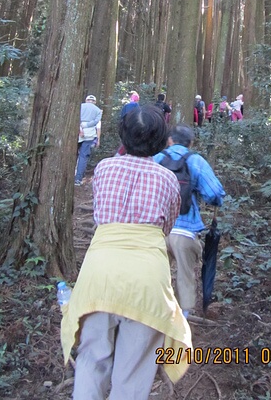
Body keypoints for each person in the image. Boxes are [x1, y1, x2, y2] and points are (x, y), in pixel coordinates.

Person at [61, 106, 192, 400]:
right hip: (147, 278)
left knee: (91, 361)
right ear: (160, 140)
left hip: (99, 274)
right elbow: (166, 225)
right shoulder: (167, 179)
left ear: (124, 135)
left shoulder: (105, 168)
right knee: (133, 374)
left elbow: (99, 212)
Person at [154, 124, 225, 318]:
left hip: (156, 229)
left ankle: (157, 314)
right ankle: (182, 319)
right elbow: (214, 193)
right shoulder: (195, 161)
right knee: (185, 276)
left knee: (157, 275)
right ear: (191, 142)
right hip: (185, 231)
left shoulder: (157, 158)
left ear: (169, 140)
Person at [75, 95, 102, 186]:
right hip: (89, 135)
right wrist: (86, 126)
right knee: (83, 157)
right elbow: (96, 123)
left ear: (86, 100)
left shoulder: (80, 106)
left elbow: (76, 118)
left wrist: (80, 128)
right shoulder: (98, 110)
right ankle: (78, 179)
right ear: (94, 101)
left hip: (76, 133)